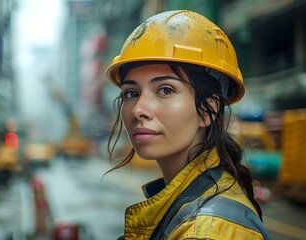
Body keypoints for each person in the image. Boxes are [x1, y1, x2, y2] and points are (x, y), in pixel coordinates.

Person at [106, 10, 271, 240]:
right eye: (131, 93)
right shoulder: (192, 201)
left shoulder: (205, 232)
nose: (137, 109)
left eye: (165, 90)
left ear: (209, 110)